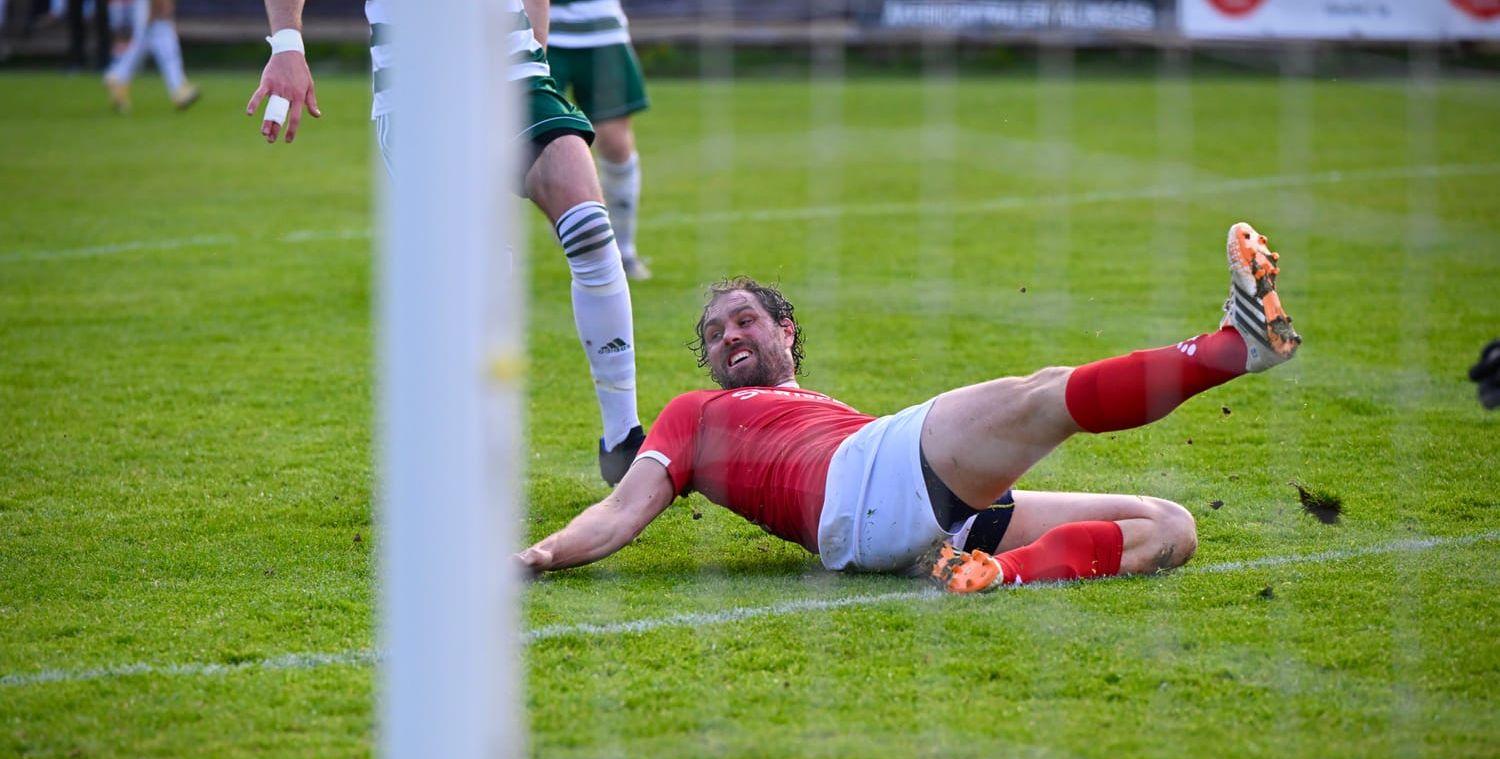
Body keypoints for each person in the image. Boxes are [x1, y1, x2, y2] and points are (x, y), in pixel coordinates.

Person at [515, 223, 1302, 592]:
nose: (729, 337)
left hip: (910, 523)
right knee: (1042, 394)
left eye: (745, 320)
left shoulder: (821, 406)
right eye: (715, 334)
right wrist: (543, 554)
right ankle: (1236, 347)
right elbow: (620, 513)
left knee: (1170, 528)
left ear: (785, 330)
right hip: (868, 485)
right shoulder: (692, 414)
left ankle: (994, 573)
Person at [245, 0, 646, 484]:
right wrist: (286, 44)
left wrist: (536, 44)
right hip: (419, 86)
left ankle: (623, 438)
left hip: (515, 70)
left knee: (590, 230)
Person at [546, 0, 652, 280]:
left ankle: (624, 250)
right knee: (535, 140)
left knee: (615, 143)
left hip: (601, 33)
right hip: (539, 30)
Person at [102, 0, 198, 113]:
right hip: (153, 9)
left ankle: (118, 76)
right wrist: (155, 10)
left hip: (148, 7)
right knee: (168, 51)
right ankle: (178, 89)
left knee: (143, 45)